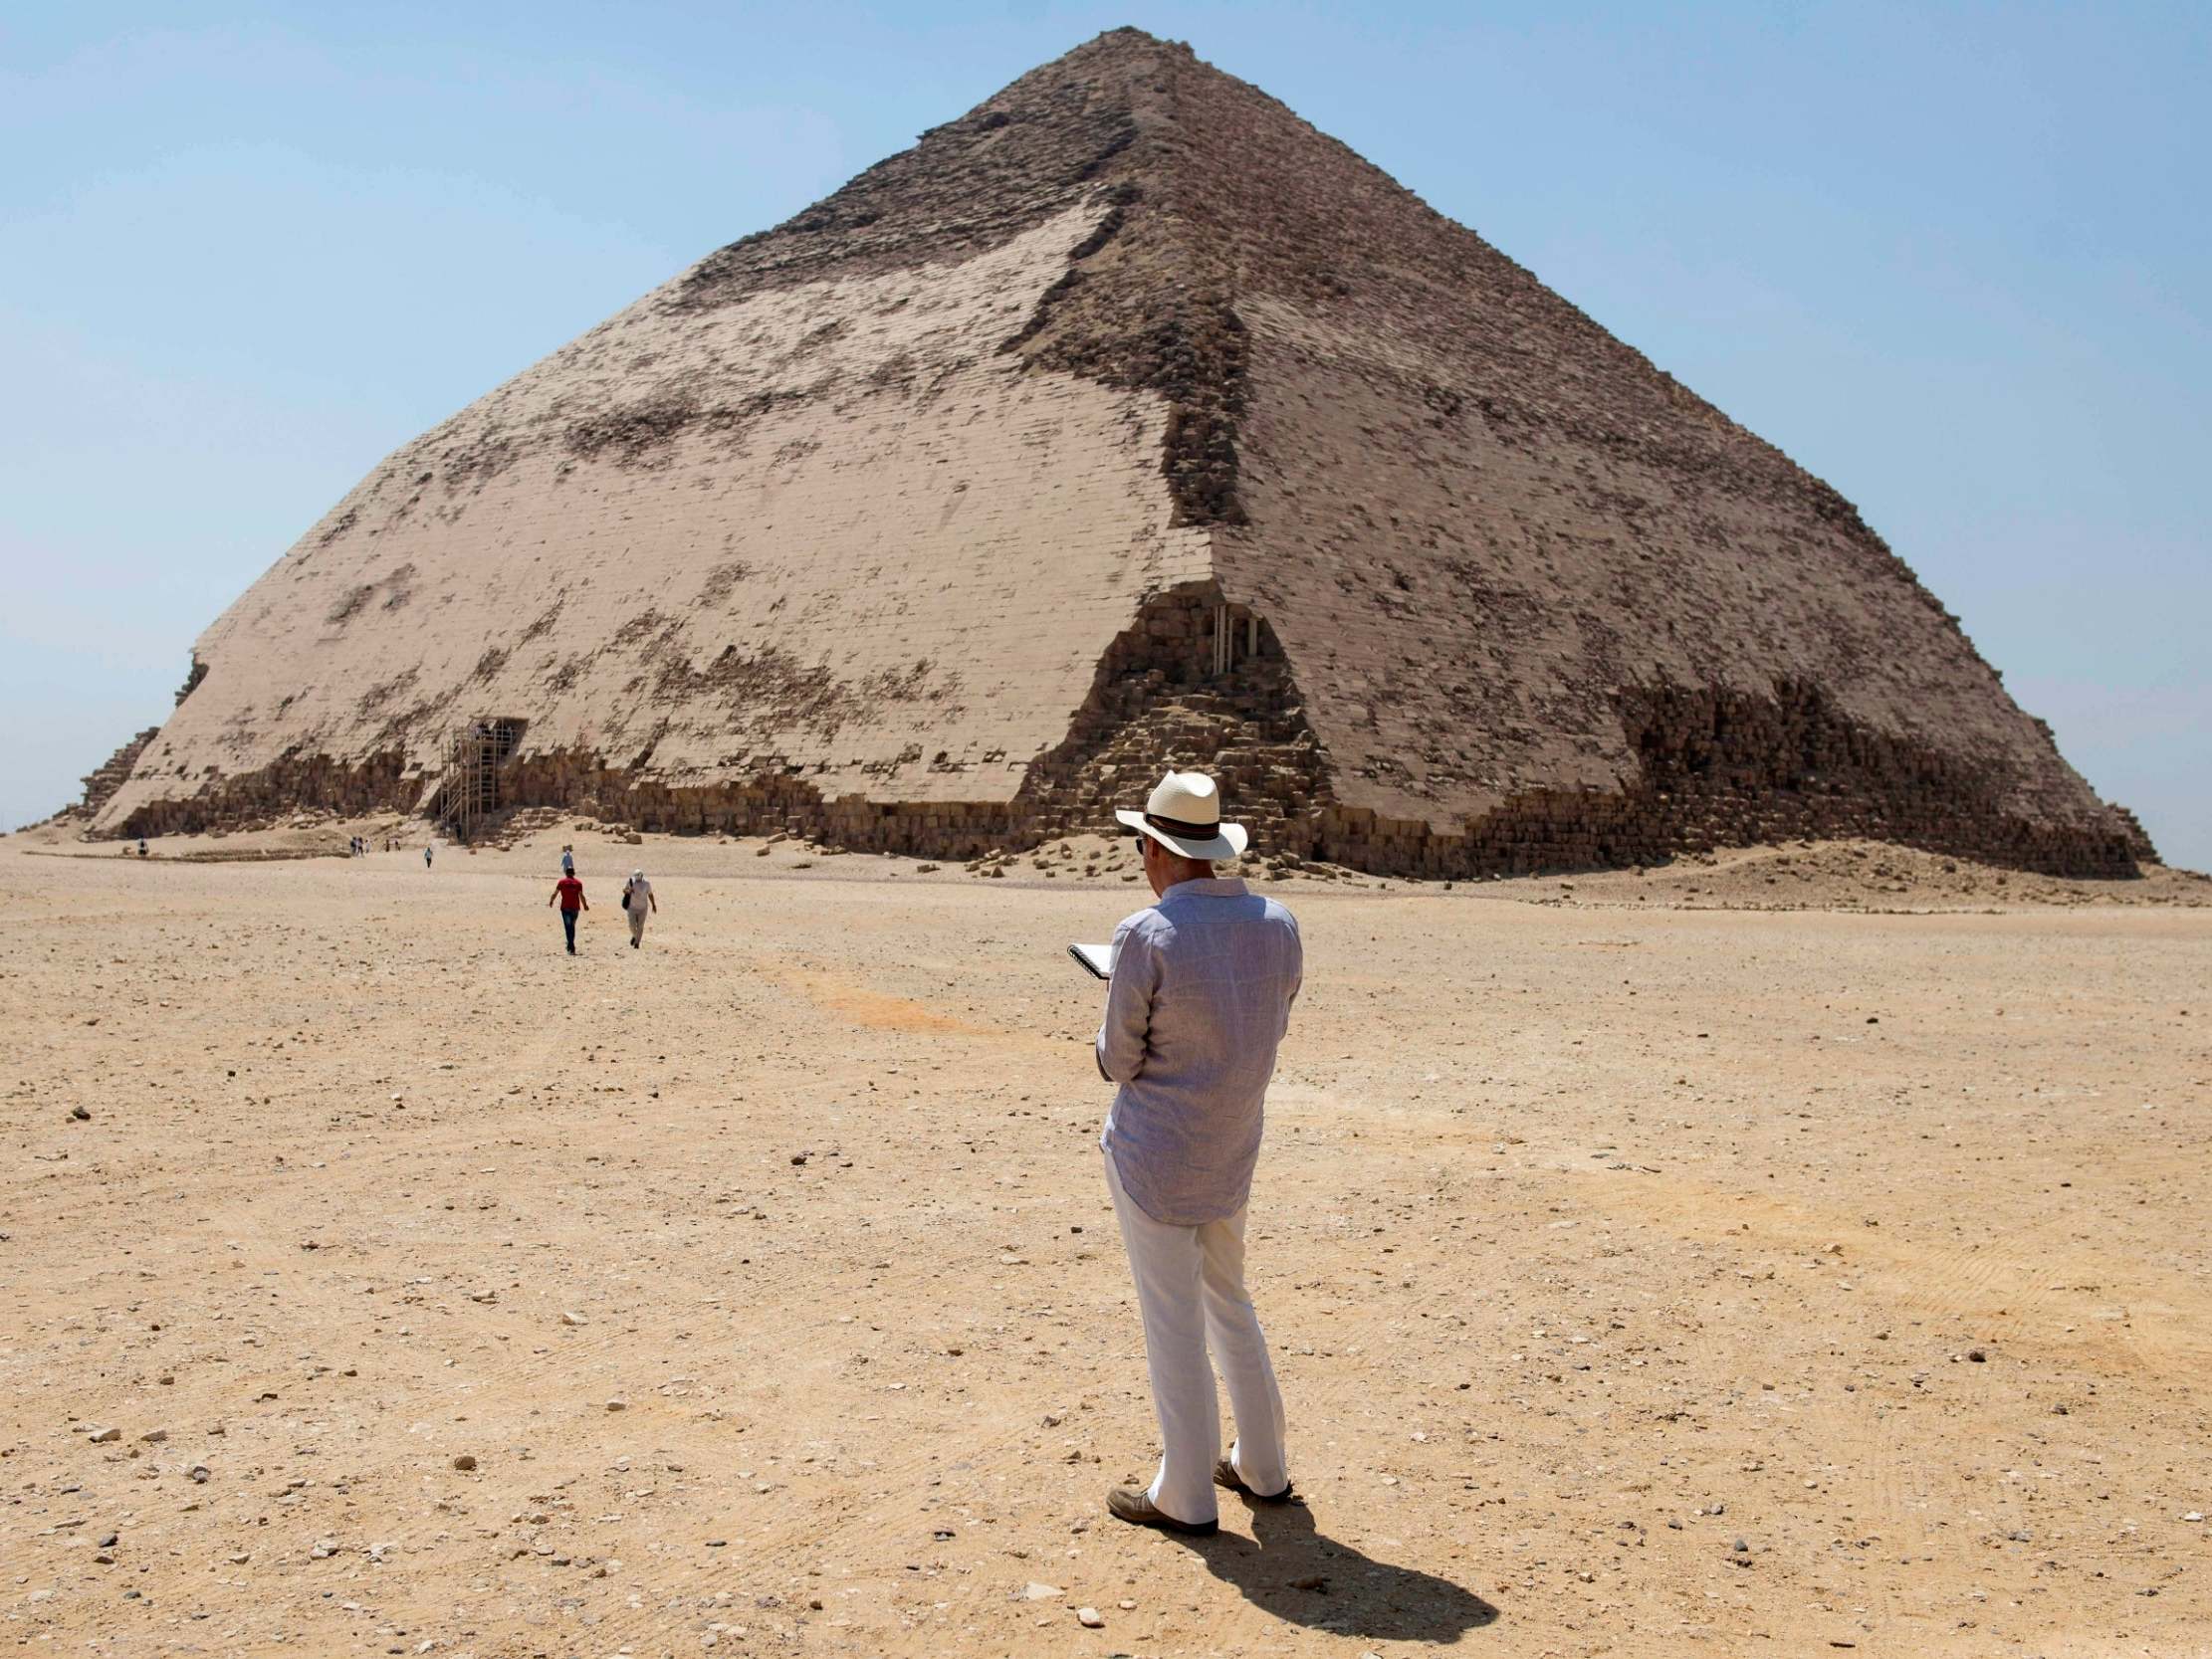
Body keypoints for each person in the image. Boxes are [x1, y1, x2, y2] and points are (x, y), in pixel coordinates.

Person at [1094, 769, 1303, 1537]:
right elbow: (1270, 1025)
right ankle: (1264, 1464)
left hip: (1155, 1152)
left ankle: (1185, 1492)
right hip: (1231, 1144)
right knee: (1229, 1298)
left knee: (1172, 1317)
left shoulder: (1145, 934)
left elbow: (1119, 1060)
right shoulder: (1278, 922)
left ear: (1154, 847)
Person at [550, 869, 587, 953]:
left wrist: (551, 901)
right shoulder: (578, 883)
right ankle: (571, 946)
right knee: (572, 926)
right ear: (573, 873)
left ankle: (571, 945)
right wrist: (585, 905)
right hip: (575, 908)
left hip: (565, 907)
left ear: (566, 873)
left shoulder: (562, 882)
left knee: (568, 927)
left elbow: (555, 893)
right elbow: (581, 896)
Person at [619, 868, 656, 948]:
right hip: (632, 907)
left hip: (643, 908)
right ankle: (635, 936)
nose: (637, 879)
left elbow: (650, 894)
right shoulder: (631, 881)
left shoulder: (647, 883)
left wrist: (653, 904)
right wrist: (629, 891)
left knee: (640, 926)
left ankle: (637, 943)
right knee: (631, 925)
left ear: (642, 876)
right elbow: (624, 890)